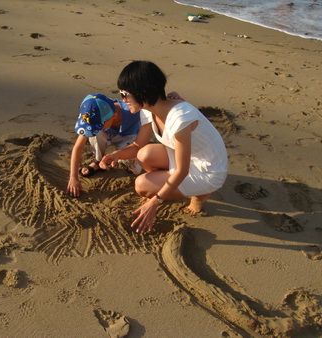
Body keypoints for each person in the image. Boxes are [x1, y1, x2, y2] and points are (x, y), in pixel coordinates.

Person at [99, 61, 228, 233]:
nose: (123, 99)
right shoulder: (148, 109)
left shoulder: (180, 118)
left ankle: (201, 195)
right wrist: (117, 154)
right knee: (144, 154)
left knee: (142, 186)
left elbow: (182, 171)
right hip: (187, 157)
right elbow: (138, 146)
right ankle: (171, 188)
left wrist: (156, 201)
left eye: (125, 94)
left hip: (207, 170)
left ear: (143, 92)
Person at [66, 94, 141, 197]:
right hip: (106, 133)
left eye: (98, 126)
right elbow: (78, 147)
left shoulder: (133, 112)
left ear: (113, 116)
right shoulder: (90, 113)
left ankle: (128, 163)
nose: (93, 128)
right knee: (95, 134)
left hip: (128, 135)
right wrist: (73, 177)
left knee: (136, 169)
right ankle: (98, 160)